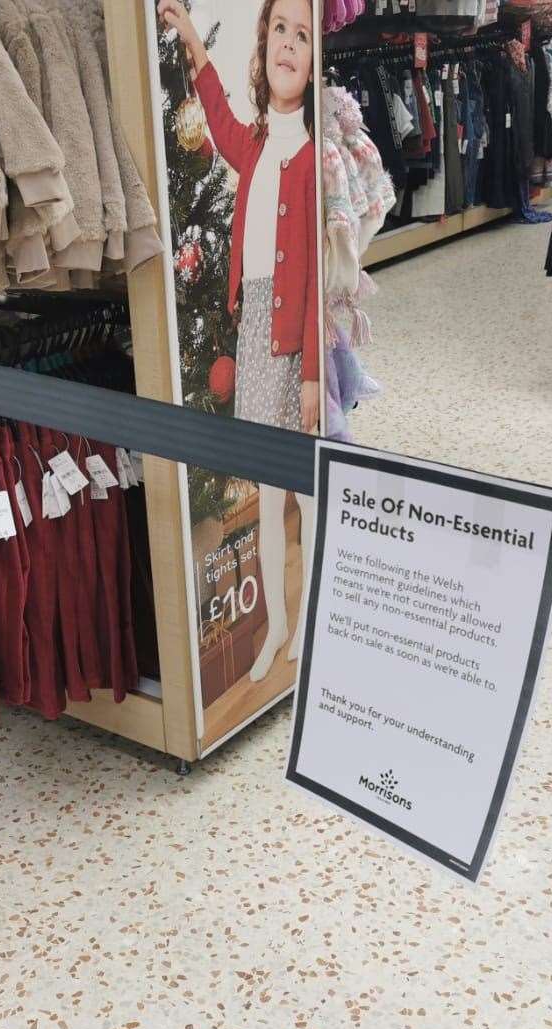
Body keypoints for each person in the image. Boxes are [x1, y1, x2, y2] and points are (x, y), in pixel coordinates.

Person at [159, 0, 320, 682]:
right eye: (279, 30)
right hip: (254, 330)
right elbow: (219, 121)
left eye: (303, 35)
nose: (287, 45)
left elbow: (315, 277)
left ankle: (308, 620)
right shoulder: (255, 142)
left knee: (305, 489)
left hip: (294, 343)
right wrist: (192, 39)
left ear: (317, 63)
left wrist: (313, 371)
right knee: (267, 482)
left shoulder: (315, 159)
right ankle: (276, 625)